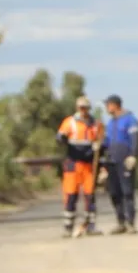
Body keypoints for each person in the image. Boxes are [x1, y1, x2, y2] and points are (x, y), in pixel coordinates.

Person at [56, 95, 104, 238]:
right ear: (77, 108)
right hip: (73, 163)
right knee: (71, 195)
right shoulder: (69, 122)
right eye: (81, 108)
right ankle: (68, 227)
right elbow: (60, 137)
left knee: (90, 195)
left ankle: (90, 226)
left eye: (86, 108)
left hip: (89, 164)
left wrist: (99, 147)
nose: (84, 110)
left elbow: (102, 141)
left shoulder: (96, 124)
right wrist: (62, 138)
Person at [103, 94, 138, 234]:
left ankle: (131, 223)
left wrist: (133, 155)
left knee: (127, 192)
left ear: (115, 105)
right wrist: (99, 146)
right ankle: (121, 222)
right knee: (114, 192)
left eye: (108, 104)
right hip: (111, 161)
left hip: (125, 161)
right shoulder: (110, 123)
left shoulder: (130, 120)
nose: (107, 108)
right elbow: (107, 141)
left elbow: (135, 138)